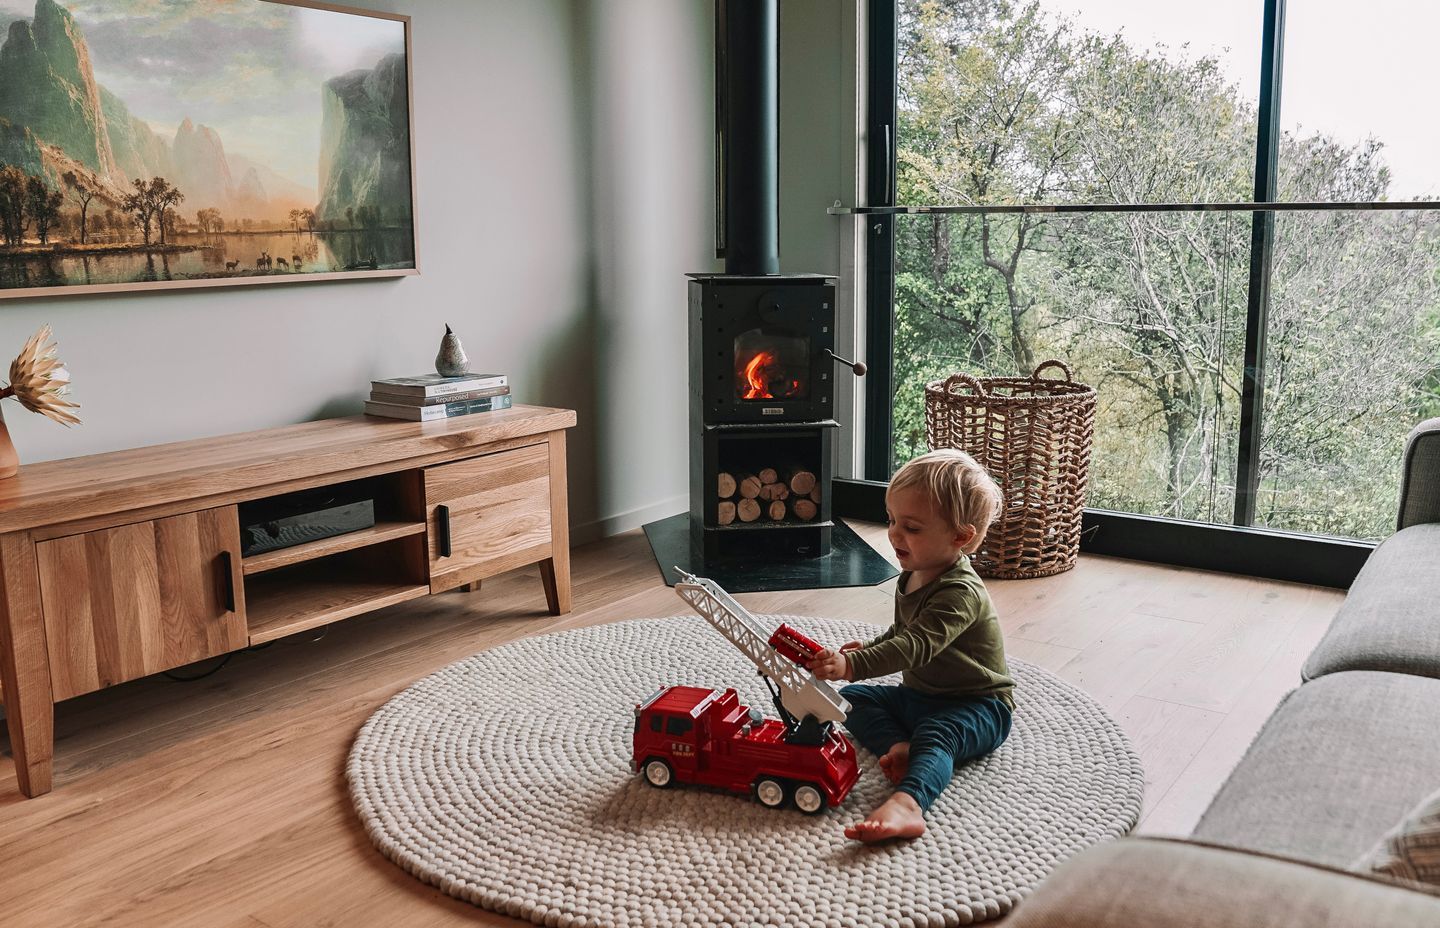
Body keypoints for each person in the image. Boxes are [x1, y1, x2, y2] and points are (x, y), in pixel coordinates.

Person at [808, 448, 1014, 842]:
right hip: (920, 694)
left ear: (960, 536)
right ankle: (900, 745)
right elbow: (901, 633)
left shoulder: (960, 592)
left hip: (977, 704)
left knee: (937, 737)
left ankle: (909, 804)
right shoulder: (915, 574)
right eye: (891, 520)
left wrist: (855, 663)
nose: (894, 534)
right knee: (852, 699)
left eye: (912, 528)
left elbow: (915, 646)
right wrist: (862, 652)